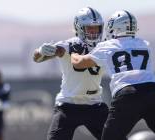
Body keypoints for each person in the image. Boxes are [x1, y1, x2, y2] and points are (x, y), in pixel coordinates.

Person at [71, 10, 155, 140]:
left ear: (113, 27)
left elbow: (79, 64)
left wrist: (74, 54)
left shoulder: (107, 46)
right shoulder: (144, 44)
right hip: (153, 92)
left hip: (127, 94)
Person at [33, 7, 109, 140]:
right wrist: (41, 51)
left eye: (96, 28)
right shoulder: (68, 45)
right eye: (89, 28)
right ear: (79, 28)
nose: (94, 32)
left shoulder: (104, 47)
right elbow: (37, 58)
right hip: (68, 105)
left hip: (94, 104)